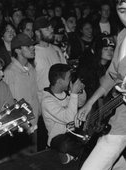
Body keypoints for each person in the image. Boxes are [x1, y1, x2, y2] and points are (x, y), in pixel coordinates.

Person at [75, 1, 126, 169]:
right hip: (122, 119)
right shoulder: (121, 36)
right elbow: (111, 76)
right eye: (122, 10)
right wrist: (89, 103)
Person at [41, 63, 86, 164]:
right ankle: (85, 155)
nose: (71, 80)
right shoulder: (47, 101)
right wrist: (74, 93)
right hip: (57, 138)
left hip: (72, 133)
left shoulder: (66, 93)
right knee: (65, 144)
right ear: (60, 82)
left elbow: (81, 102)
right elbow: (69, 118)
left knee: (89, 136)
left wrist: (80, 90)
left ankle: (73, 155)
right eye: (69, 78)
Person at [4, 33, 40, 152]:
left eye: (32, 45)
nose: (33, 48)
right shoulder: (10, 72)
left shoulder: (31, 68)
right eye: (28, 46)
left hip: (34, 124)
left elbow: (35, 95)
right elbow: (8, 104)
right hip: (20, 129)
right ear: (18, 50)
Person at [34, 16, 66, 100]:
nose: (52, 30)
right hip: (43, 102)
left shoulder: (57, 50)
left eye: (51, 28)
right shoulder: (33, 53)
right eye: (47, 29)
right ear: (37, 32)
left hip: (62, 100)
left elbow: (66, 74)